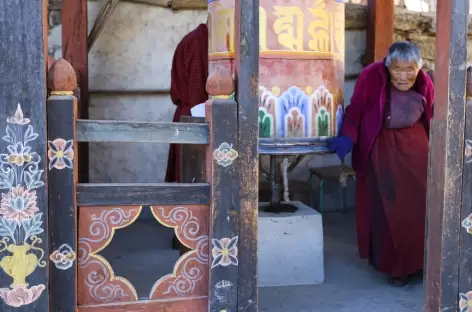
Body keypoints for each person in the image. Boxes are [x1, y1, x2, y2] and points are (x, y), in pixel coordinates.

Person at [327, 41, 434, 286]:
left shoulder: (425, 81)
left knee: (419, 210)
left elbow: (433, 114)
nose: (403, 76)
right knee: (388, 210)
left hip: (418, 152)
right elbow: (356, 110)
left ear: (419, 68)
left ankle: (417, 264)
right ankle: (396, 269)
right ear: (388, 66)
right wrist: (348, 137)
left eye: (410, 70)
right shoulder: (371, 76)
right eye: (397, 69)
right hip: (382, 149)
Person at [165, 23, 209, 183]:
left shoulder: (195, 39)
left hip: (189, 114)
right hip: (194, 118)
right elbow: (195, 94)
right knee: (193, 182)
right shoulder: (199, 42)